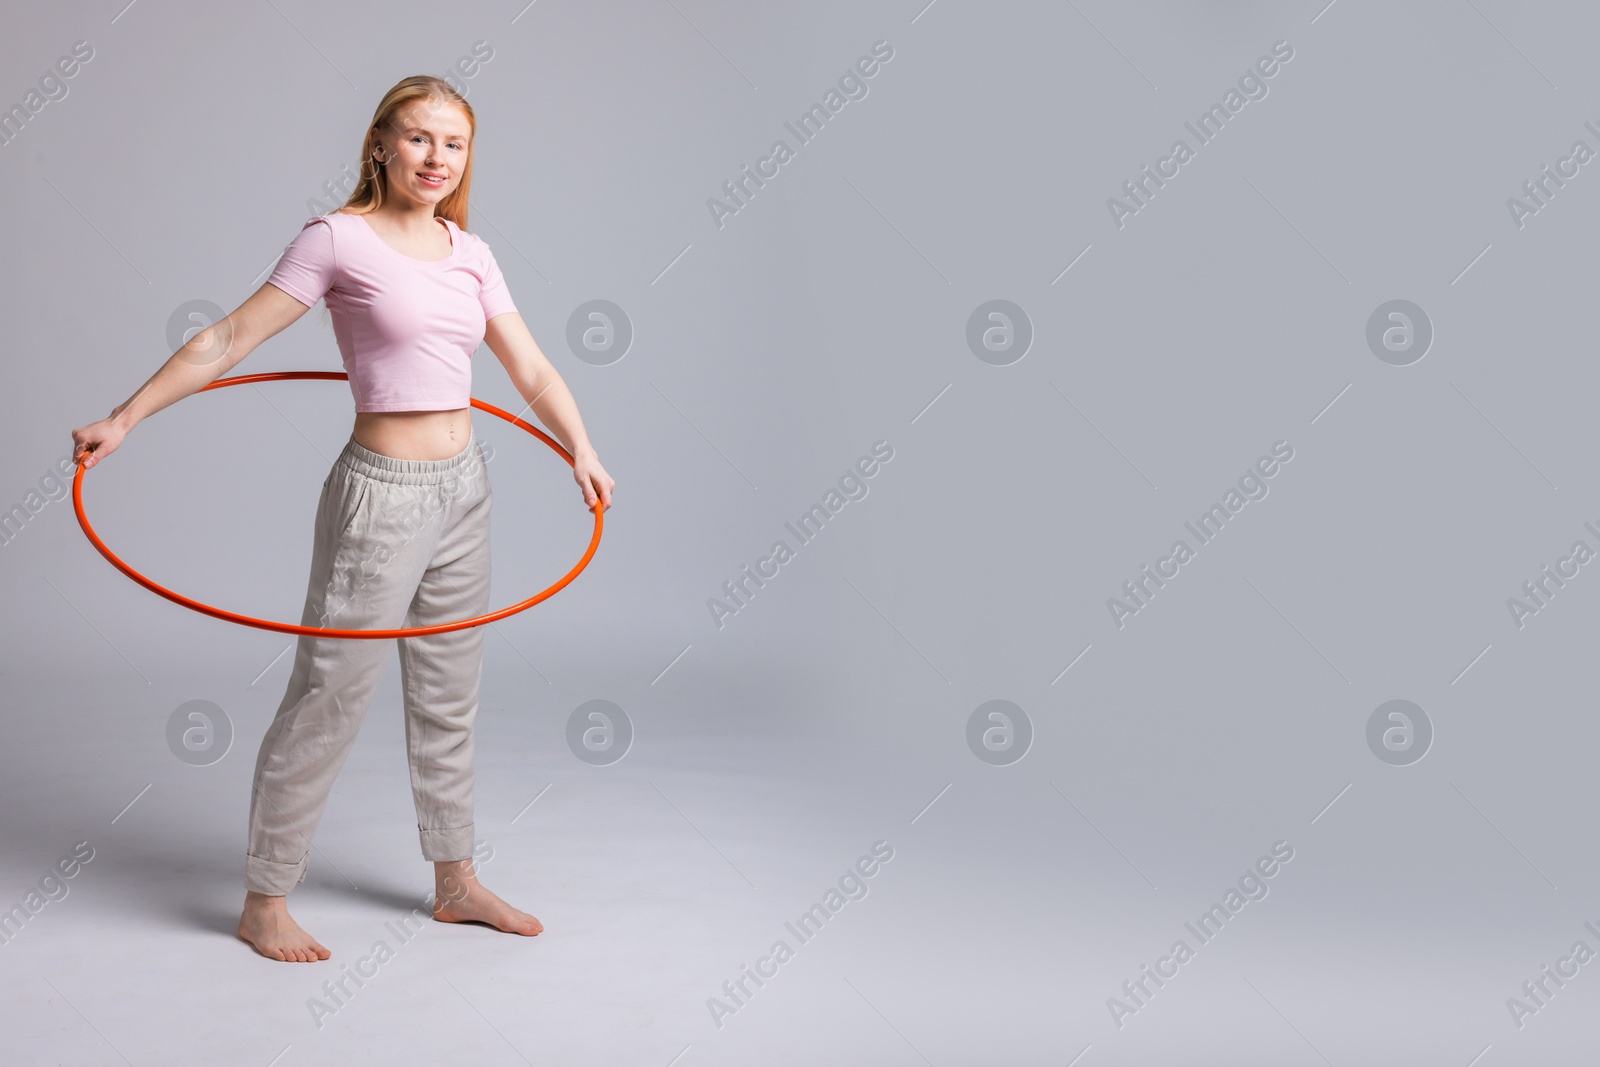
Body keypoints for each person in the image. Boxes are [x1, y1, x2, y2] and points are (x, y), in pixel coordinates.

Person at [69, 75, 614, 963]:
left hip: (467, 486)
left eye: (454, 143)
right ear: (380, 145)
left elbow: (535, 372)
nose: (436, 158)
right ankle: (266, 897)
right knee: (330, 693)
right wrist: (124, 418)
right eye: (418, 138)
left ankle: (454, 880)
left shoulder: (470, 252)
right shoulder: (337, 239)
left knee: (449, 695)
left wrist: (583, 447)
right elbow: (228, 339)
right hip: (383, 494)